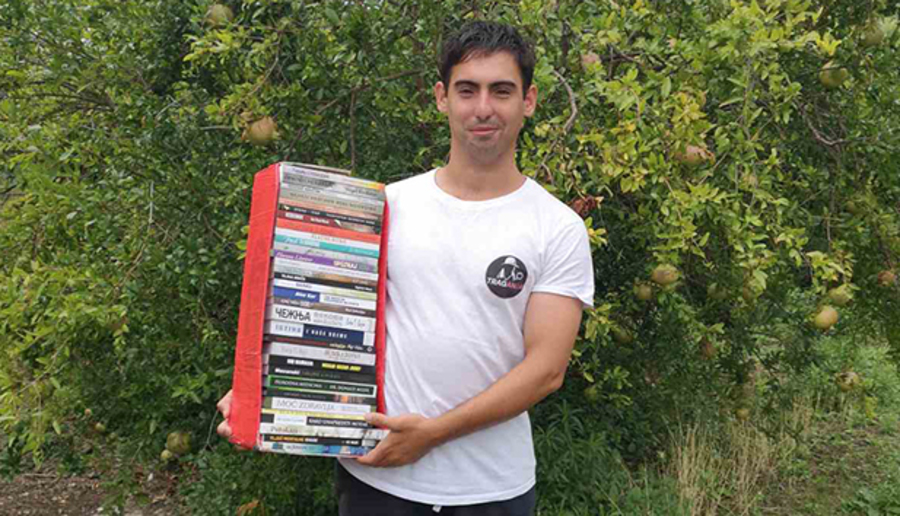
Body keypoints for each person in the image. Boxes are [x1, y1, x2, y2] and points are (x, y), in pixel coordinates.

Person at [217, 21, 594, 515]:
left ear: (529, 101)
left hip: (491, 490)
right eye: (467, 90)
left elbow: (546, 371)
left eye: (501, 91)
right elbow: (324, 316)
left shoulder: (557, 227)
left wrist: (432, 434)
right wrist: (264, 389)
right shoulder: (386, 206)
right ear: (441, 98)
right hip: (376, 479)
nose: (483, 108)